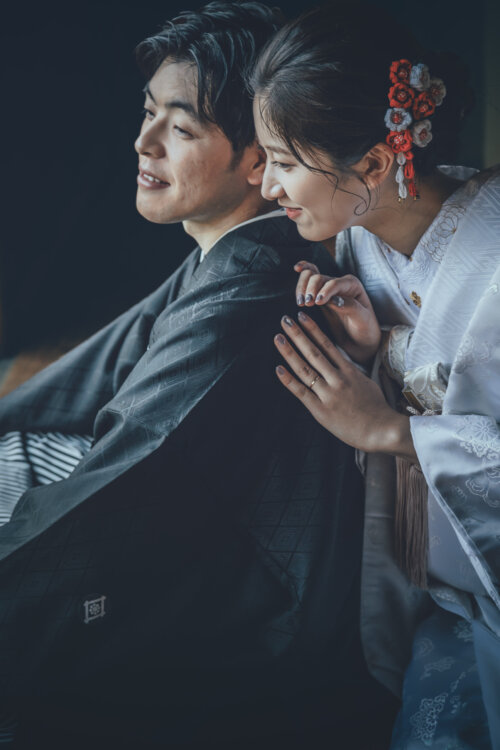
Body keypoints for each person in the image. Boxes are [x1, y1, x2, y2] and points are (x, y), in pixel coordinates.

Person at [0, 3, 397, 747]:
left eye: (180, 129)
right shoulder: (228, 254)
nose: (144, 142)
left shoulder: (256, 286)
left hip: (252, 600)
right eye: (148, 113)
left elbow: (132, 465)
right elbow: (100, 370)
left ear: (260, 158)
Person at [251, 3, 499, 749]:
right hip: (455, 601)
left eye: (284, 162)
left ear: (375, 164)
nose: (266, 185)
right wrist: (372, 351)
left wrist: (391, 431)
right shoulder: (359, 242)